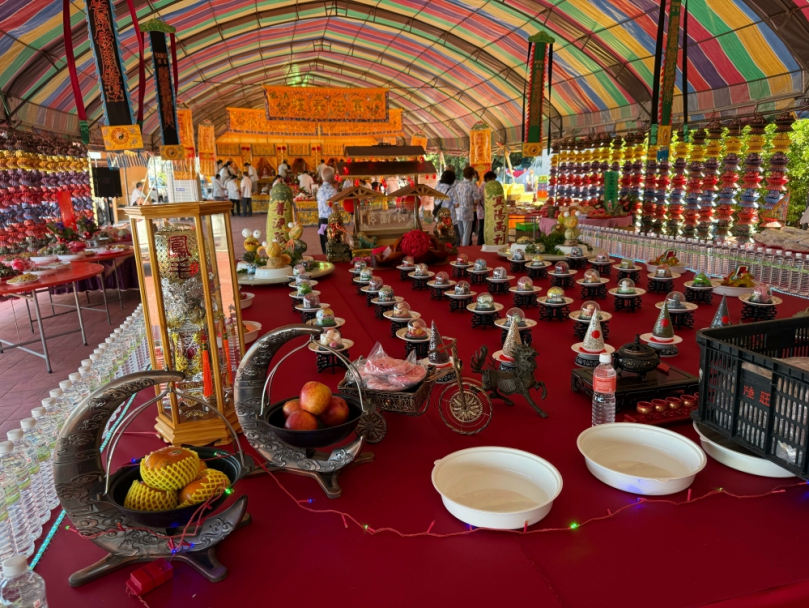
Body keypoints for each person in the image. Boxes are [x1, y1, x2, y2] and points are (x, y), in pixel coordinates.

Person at [454, 166, 481, 247]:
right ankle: (465, 249)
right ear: (472, 175)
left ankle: (458, 247)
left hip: (458, 211)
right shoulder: (473, 185)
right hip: (468, 212)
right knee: (467, 232)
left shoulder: (458, 185)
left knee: (460, 231)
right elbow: (476, 200)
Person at [317, 166, 338, 254]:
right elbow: (334, 209)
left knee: (324, 247)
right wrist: (338, 222)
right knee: (333, 247)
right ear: (331, 177)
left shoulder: (319, 190)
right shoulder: (333, 191)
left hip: (321, 221)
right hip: (330, 221)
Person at [435, 170, 458, 243]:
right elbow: (456, 204)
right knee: (454, 237)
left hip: (440, 217)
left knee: (441, 235)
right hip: (450, 218)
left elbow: (435, 202)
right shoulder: (452, 190)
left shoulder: (437, 189)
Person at [478, 171, 497, 245]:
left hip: (484, 211)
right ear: (488, 179)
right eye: (493, 180)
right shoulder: (485, 187)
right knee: (482, 229)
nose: (493, 182)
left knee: (484, 229)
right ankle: (480, 244)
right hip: (484, 211)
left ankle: (482, 244)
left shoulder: (484, 186)